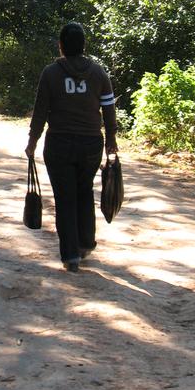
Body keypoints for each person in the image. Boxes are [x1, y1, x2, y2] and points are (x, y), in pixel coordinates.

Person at [25, 22, 118, 273]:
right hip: (90, 144)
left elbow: (41, 111)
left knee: (65, 197)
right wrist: (111, 142)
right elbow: (109, 111)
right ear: (84, 46)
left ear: (61, 46)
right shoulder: (98, 74)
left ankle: (70, 256)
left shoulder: (51, 73)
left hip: (59, 144)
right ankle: (86, 243)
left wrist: (32, 141)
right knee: (84, 191)